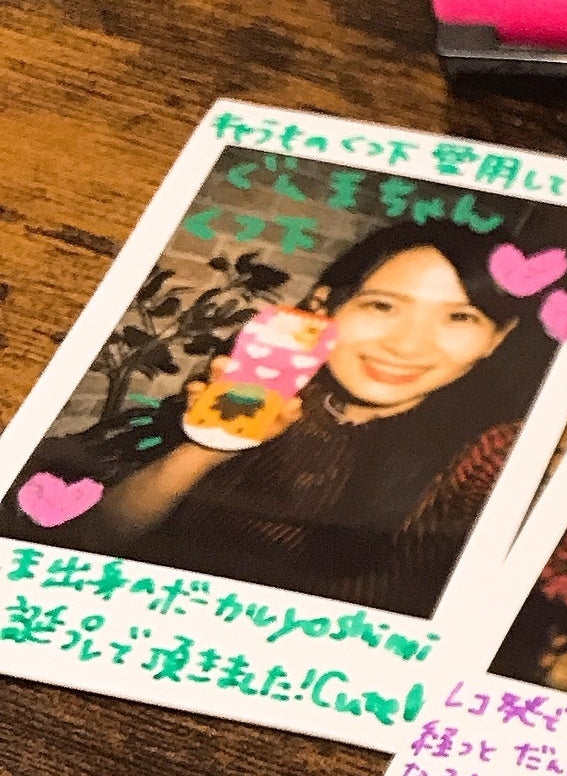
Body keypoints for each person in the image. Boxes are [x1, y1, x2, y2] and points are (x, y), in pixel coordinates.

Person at [7, 221, 540, 613]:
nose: (407, 345)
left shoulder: (493, 454)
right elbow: (92, 541)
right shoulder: (267, 390)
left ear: (497, 339)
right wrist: (208, 445)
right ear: (325, 307)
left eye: (460, 317)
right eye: (381, 306)